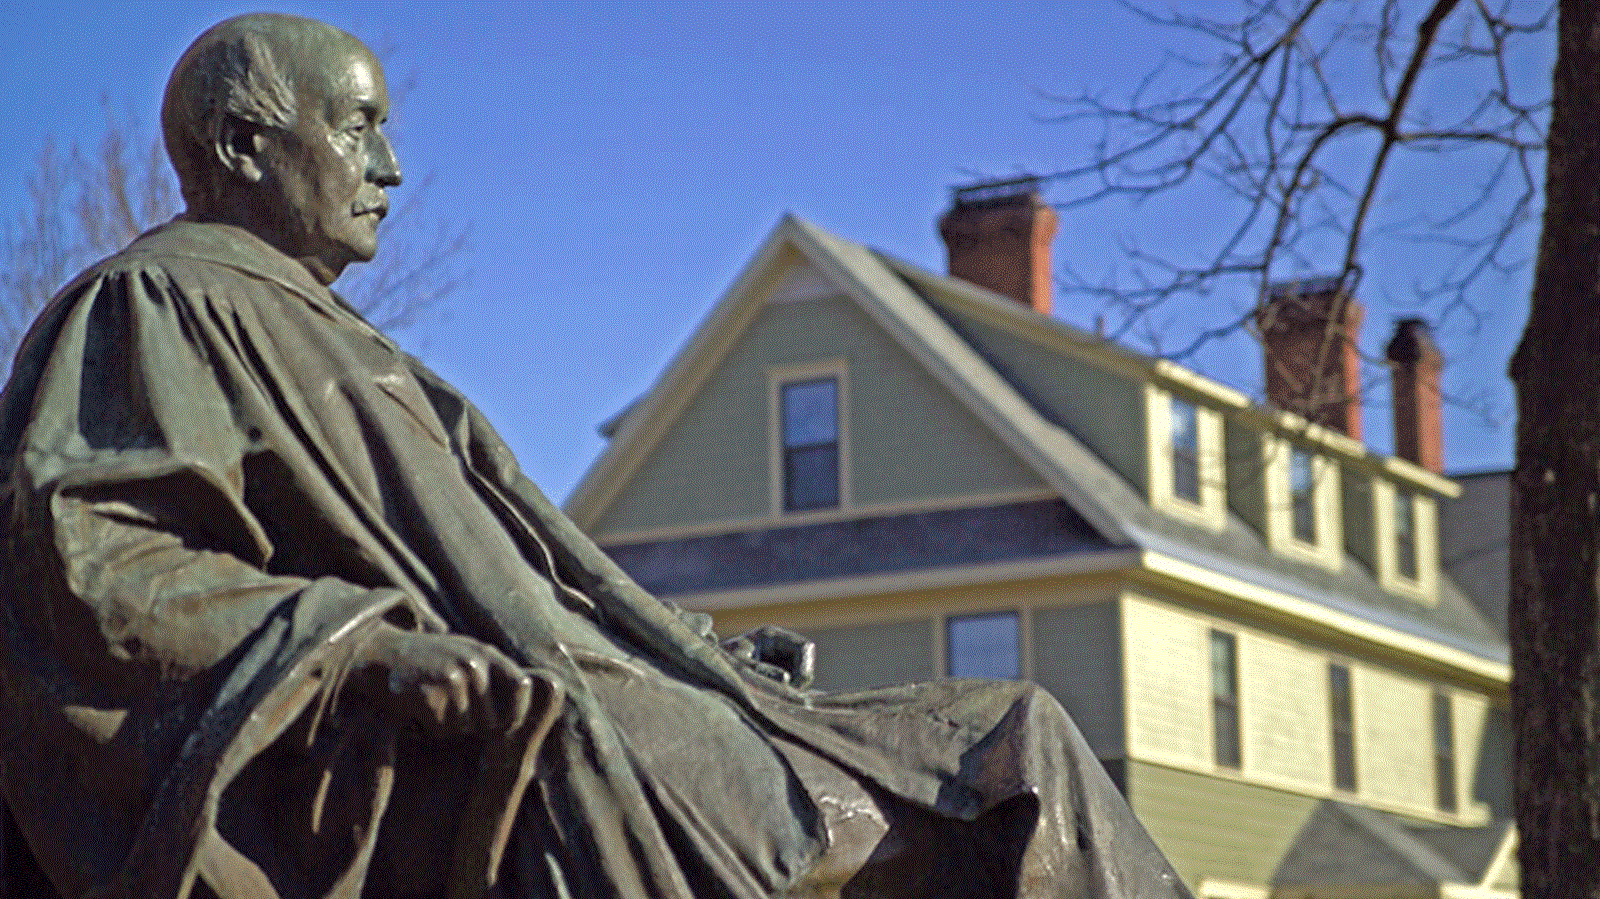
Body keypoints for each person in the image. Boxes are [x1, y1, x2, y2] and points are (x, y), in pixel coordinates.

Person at [0, 14, 1194, 899]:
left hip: (623, 681)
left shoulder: (348, 344)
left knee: (1016, 738)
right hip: (530, 727)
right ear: (249, 142)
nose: (391, 168)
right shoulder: (153, 305)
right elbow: (91, 562)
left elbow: (530, 572)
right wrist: (364, 651)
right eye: (358, 126)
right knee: (971, 803)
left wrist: (692, 647)